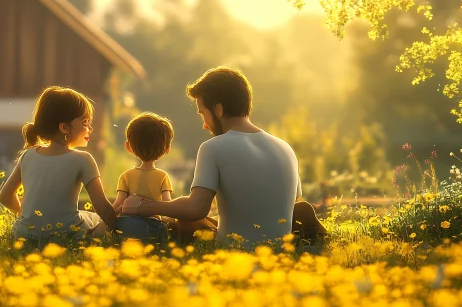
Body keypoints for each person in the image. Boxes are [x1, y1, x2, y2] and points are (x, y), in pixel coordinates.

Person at [119, 67, 327, 248]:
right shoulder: (285, 148)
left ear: (218, 109)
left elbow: (196, 209)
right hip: (282, 245)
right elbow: (284, 203)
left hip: (235, 248)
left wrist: (143, 206)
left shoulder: (213, 147)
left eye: (202, 114)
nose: (204, 124)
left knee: (181, 224)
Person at [0, 86, 116, 244]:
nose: (90, 129)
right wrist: (119, 224)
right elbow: (102, 207)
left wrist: (30, 216)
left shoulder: (28, 155)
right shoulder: (84, 159)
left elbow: (4, 197)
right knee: (95, 219)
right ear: (64, 127)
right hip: (67, 235)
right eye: (85, 123)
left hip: (25, 235)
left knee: (86, 216)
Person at [111, 112, 175, 245]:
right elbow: (167, 206)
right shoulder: (163, 176)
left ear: (128, 147)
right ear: (167, 149)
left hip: (127, 225)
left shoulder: (125, 176)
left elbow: (118, 205)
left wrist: (106, 221)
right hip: (153, 226)